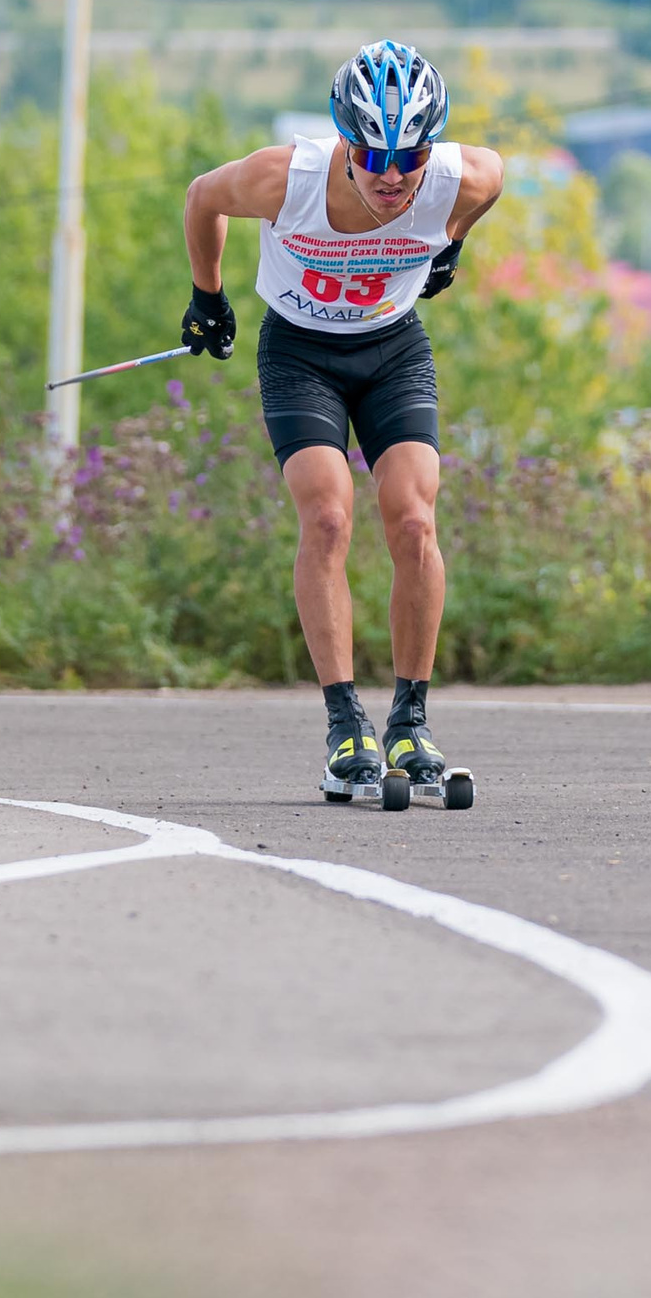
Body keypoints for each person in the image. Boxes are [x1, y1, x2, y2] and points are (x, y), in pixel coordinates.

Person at [177, 41, 504, 801]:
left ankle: (411, 719)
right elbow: (202, 197)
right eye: (373, 154)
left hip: (392, 351)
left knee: (414, 520)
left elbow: (492, 185)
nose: (392, 176)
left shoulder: (464, 176)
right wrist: (208, 296)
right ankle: (344, 723)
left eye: (410, 156)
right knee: (327, 515)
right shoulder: (282, 178)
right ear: (345, 141)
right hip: (301, 353)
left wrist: (451, 245)